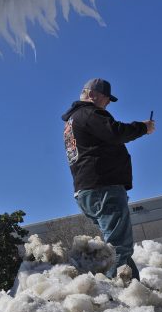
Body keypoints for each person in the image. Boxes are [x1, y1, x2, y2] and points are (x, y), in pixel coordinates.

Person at [62, 78, 155, 281]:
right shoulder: (89, 113)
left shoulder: (72, 121)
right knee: (119, 246)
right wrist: (142, 127)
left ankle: (133, 289)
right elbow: (115, 132)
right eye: (107, 99)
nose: (108, 104)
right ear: (93, 95)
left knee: (117, 243)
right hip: (103, 187)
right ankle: (115, 295)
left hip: (86, 189)